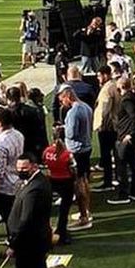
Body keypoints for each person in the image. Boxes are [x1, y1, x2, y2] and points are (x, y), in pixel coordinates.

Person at [6, 154, 54, 268]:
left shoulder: (35, 189)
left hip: (29, 246)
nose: (20, 171)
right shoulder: (37, 183)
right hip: (34, 243)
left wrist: (13, 244)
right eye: (18, 168)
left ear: (34, 167)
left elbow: (26, 221)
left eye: (24, 168)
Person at [58, 85, 94, 230]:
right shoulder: (86, 107)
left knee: (78, 184)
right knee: (84, 180)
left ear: (68, 96)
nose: (62, 103)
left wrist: (62, 129)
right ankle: (86, 211)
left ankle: (83, 216)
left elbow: (71, 133)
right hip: (86, 147)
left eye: (62, 100)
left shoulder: (73, 111)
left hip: (76, 150)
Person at [0, 106, 25, 226]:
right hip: (17, 181)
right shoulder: (18, 135)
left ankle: (14, 241)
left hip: (5, 186)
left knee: (9, 219)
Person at [109, 76, 135, 204]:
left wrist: (130, 134)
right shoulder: (134, 97)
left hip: (127, 137)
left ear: (121, 86)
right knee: (134, 164)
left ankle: (123, 194)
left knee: (121, 165)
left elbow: (133, 116)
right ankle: (134, 192)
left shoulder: (127, 100)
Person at [43, 129, 78, 244]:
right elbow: (73, 169)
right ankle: (61, 232)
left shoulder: (47, 151)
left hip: (52, 180)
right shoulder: (67, 154)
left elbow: (45, 164)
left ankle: (46, 232)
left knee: (46, 208)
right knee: (64, 209)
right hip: (66, 181)